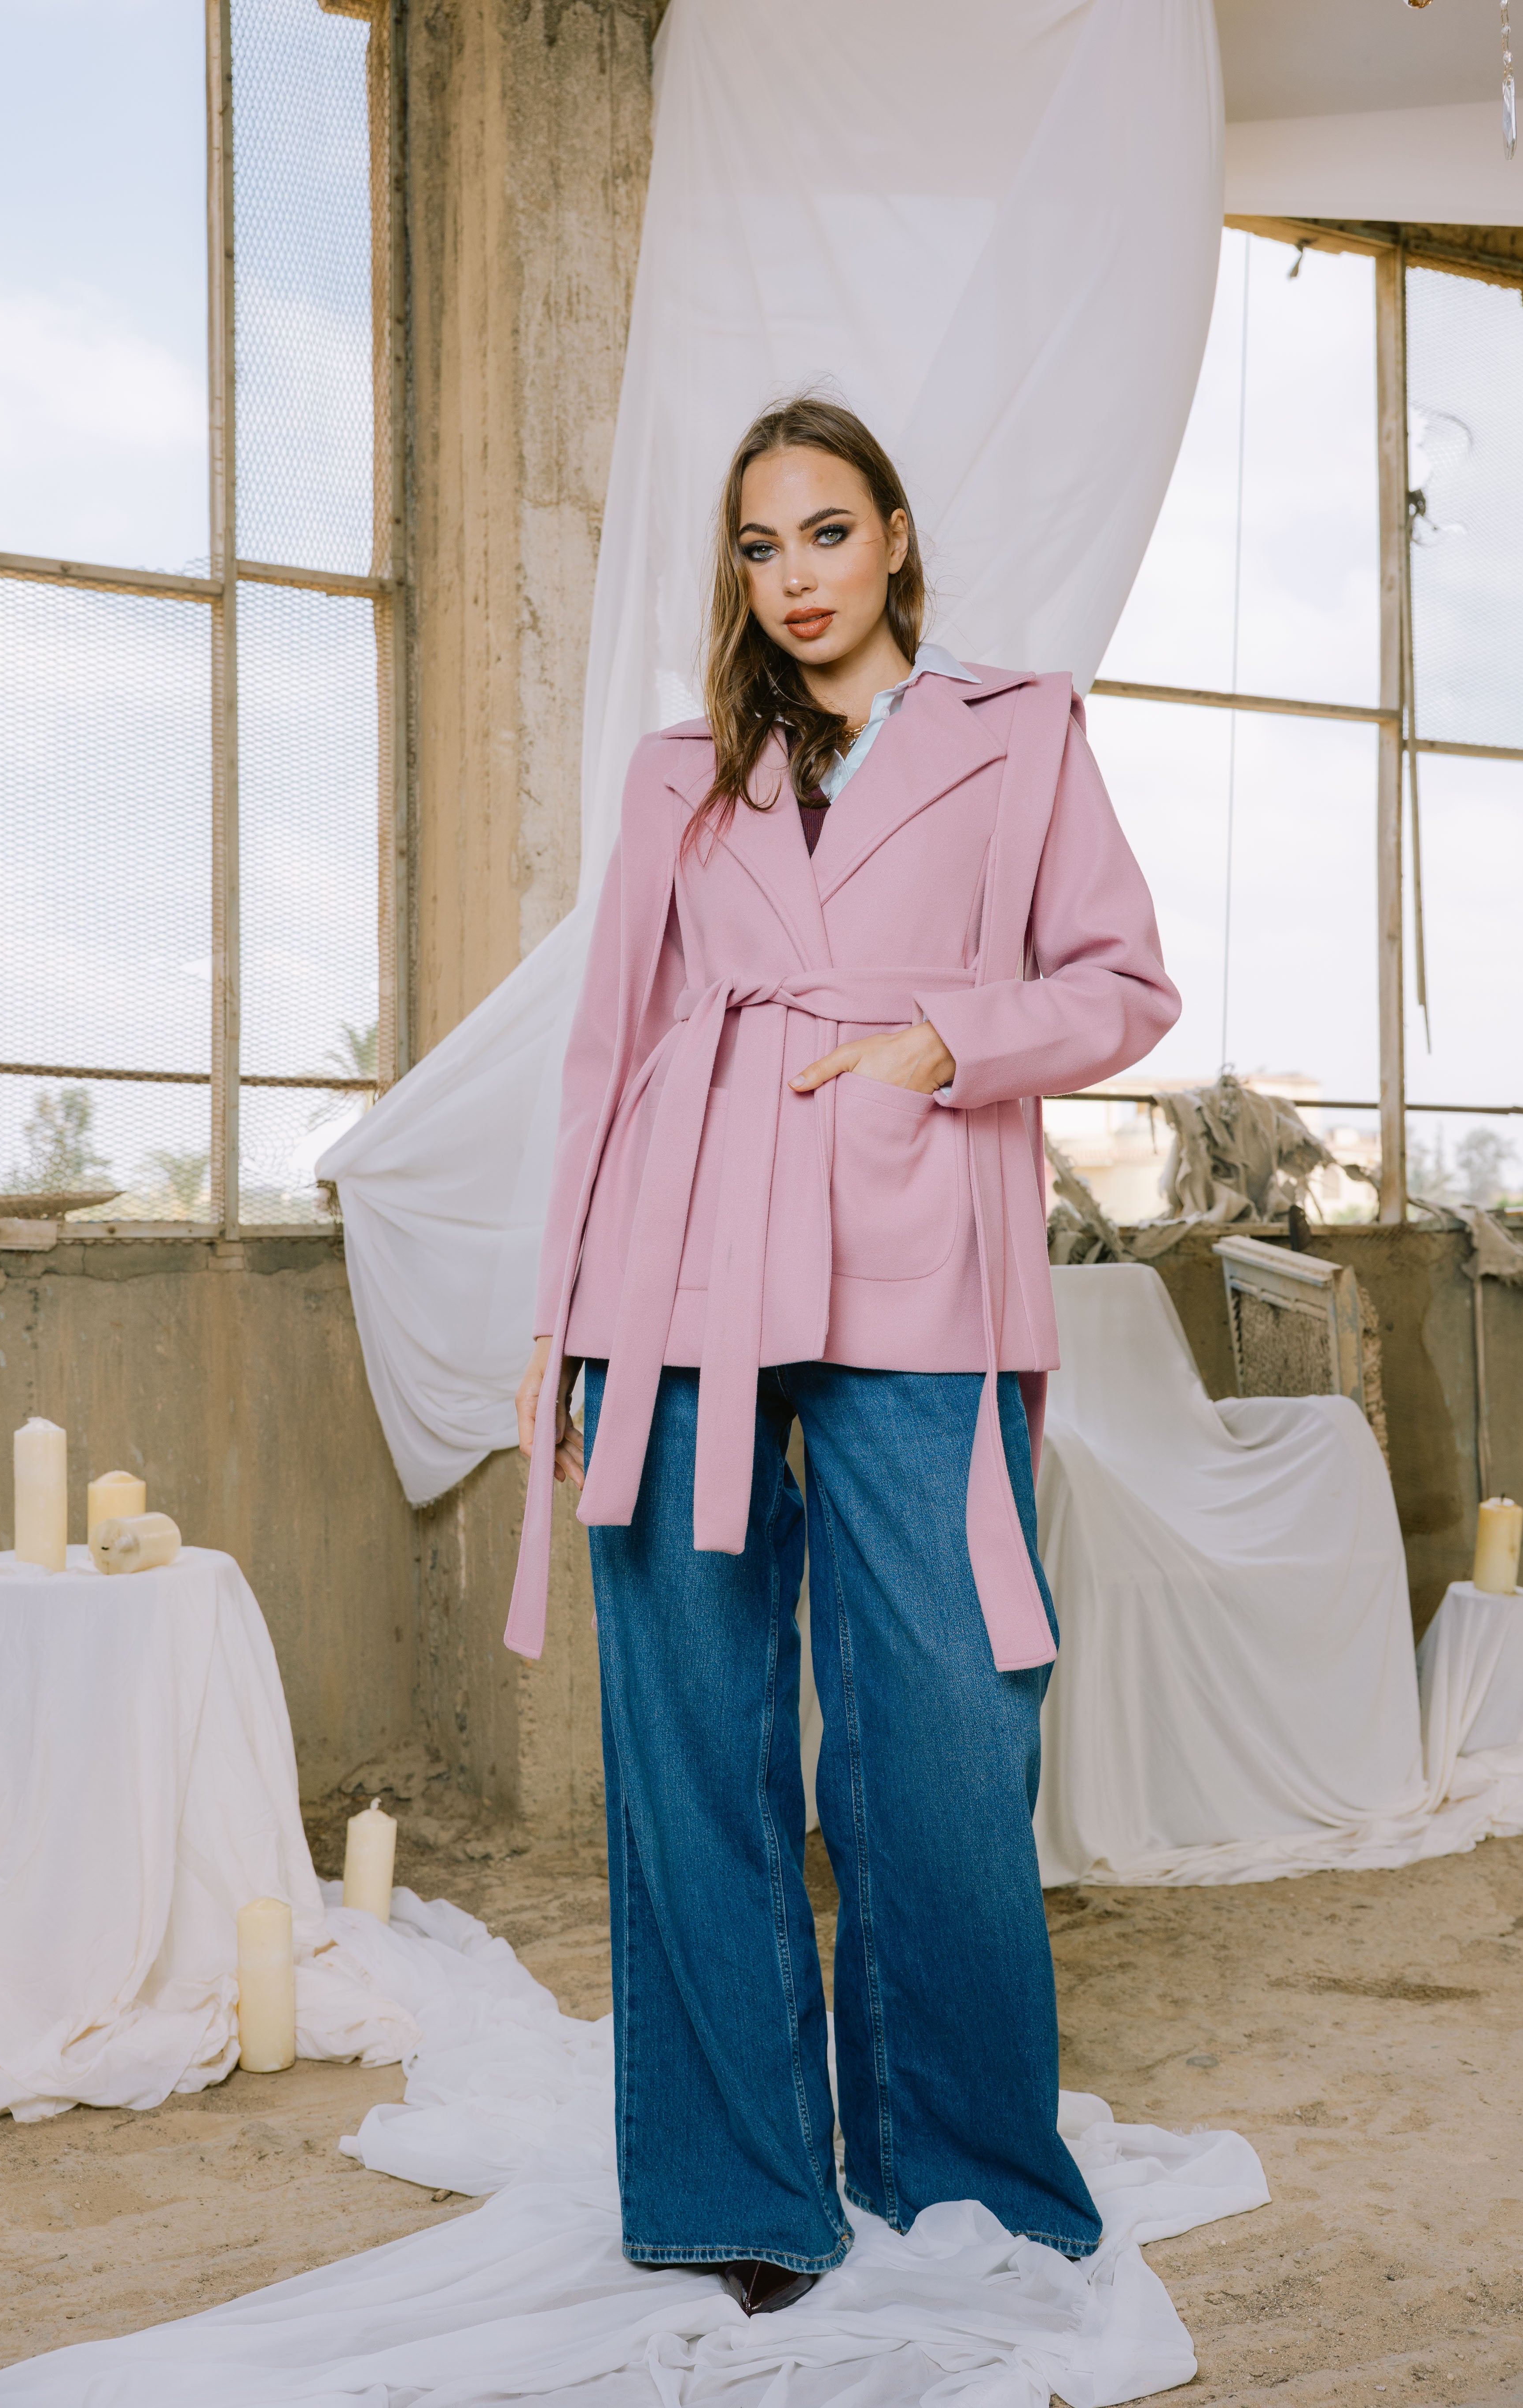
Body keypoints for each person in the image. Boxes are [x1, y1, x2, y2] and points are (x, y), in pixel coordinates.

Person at [510, 396, 1180, 2316]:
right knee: (689, 1728)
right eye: (759, 547)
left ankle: (952, 2154)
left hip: (915, 1249)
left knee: (949, 1722)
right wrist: (563, 1329)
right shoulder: (679, 772)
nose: (795, 578)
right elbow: (607, 1050)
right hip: (677, 1260)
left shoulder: (1018, 733)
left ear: (892, 536)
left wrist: (944, 1045)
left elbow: (1125, 984)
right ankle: (739, 2189)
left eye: (826, 533)